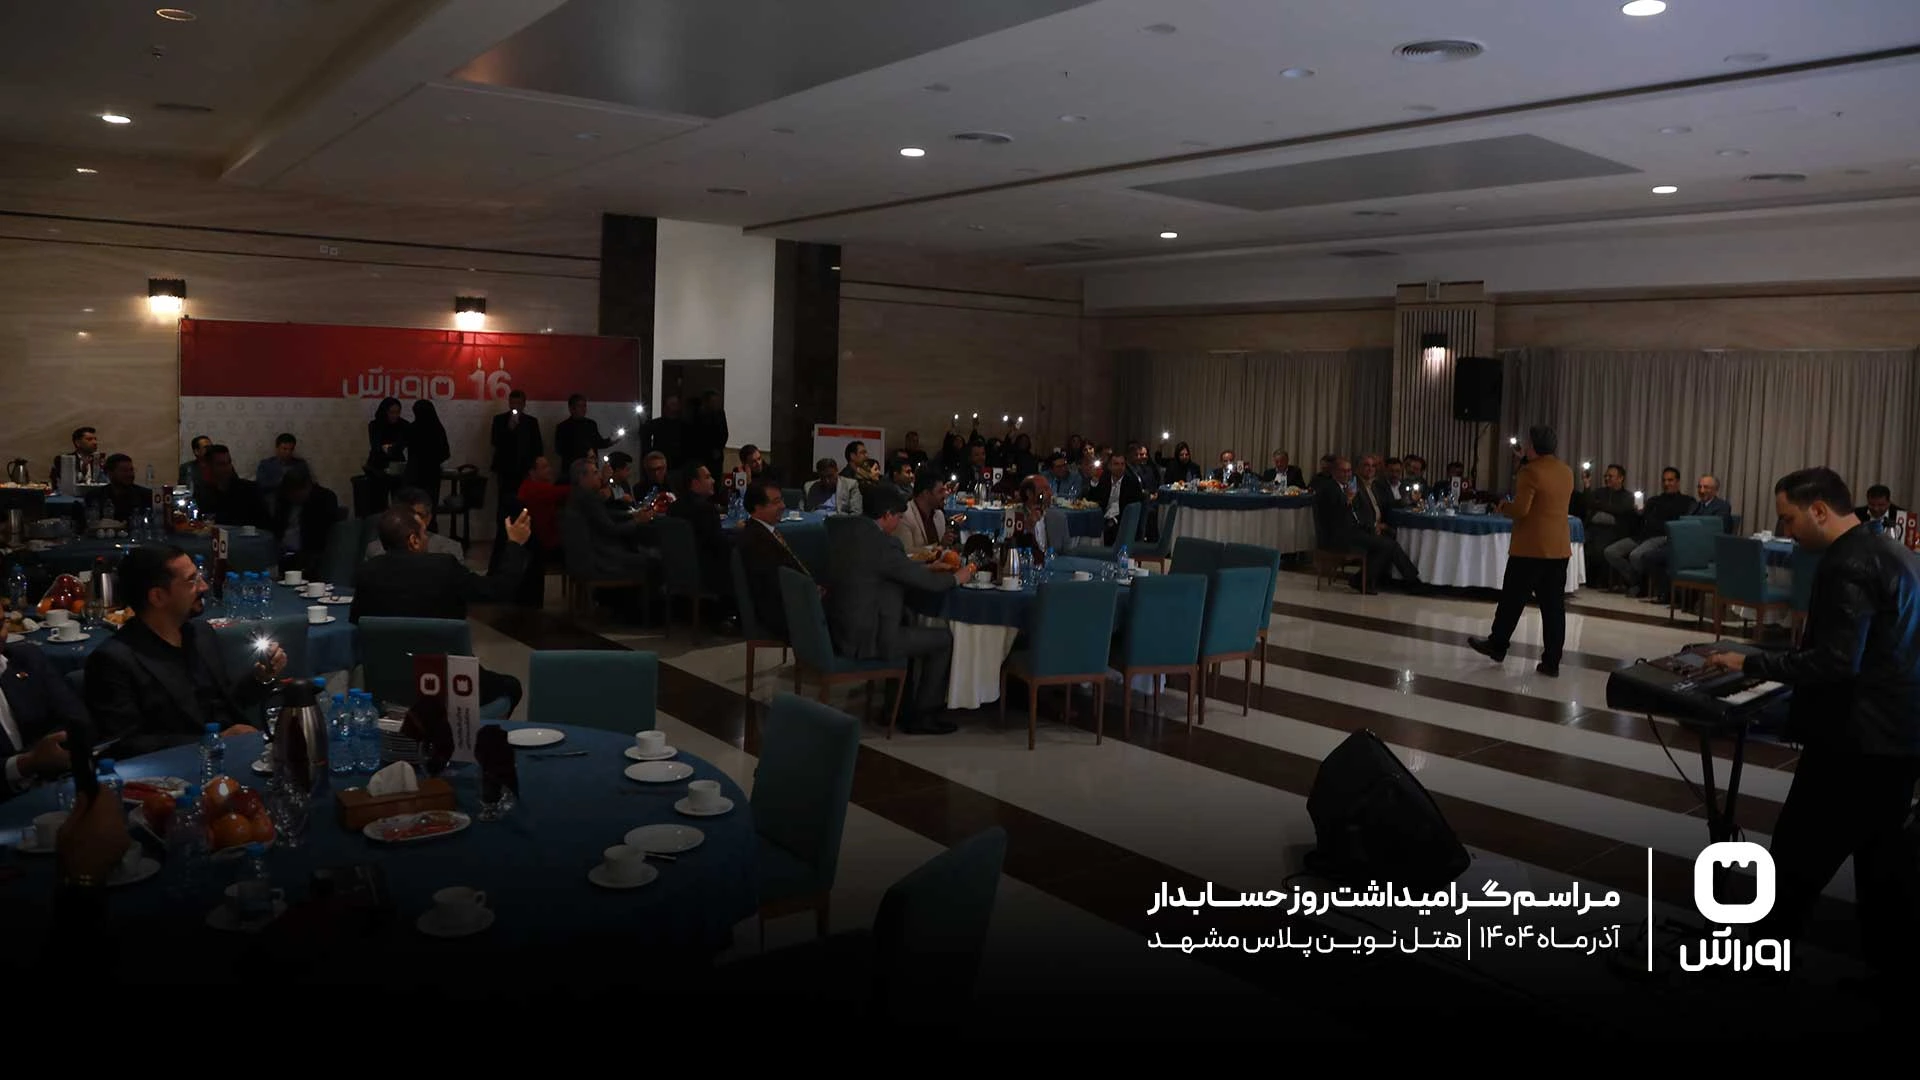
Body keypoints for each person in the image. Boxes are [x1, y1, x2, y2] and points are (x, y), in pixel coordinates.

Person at [1704, 468, 1920, 995]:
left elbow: (1836, 661)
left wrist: (1752, 663)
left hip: (1854, 742)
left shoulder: (1848, 562)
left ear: (1819, 510)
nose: (1787, 529)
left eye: (1789, 518)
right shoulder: (1894, 551)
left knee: (1796, 859)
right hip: (1900, 736)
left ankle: (1758, 968)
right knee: (1883, 868)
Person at [84, 546, 285, 757]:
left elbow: (224, 704)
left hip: (235, 753)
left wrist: (261, 678)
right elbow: (125, 744)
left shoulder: (201, 634)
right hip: (176, 768)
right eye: (192, 581)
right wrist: (215, 740)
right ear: (158, 597)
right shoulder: (113, 660)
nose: (204, 586)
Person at [351, 506, 533, 713]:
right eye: (424, 533)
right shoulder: (444, 567)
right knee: (511, 687)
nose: (427, 539)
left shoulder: (366, 573)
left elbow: (356, 624)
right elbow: (497, 589)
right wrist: (515, 544)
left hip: (387, 685)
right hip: (449, 682)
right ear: (414, 540)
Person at [825, 486, 969, 735]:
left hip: (840, 629)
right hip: (867, 639)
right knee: (943, 640)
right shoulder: (883, 544)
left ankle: (895, 707)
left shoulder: (846, 533)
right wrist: (959, 577)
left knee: (909, 619)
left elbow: (886, 570)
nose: (899, 522)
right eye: (899, 517)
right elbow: (930, 585)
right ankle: (924, 714)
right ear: (887, 514)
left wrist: (926, 568)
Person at [1469, 425, 1574, 677]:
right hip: (1558, 548)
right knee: (1553, 607)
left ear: (1534, 447)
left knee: (1512, 600)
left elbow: (1521, 510)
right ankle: (1552, 662)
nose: (1525, 447)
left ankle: (1498, 645)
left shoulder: (1529, 472)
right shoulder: (1566, 471)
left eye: (1528, 444)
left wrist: (1502, 506)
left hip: (1530, 548)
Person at [0, 641, 89, 801]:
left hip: (55, 785)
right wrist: (25, 763)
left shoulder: (25, 657)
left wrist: (47, 753)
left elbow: (76, 718)